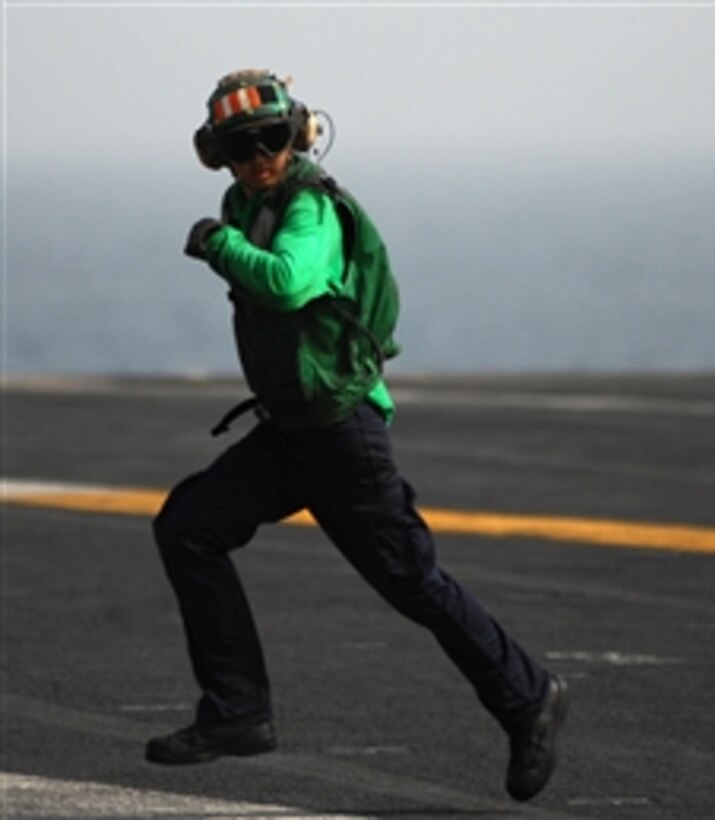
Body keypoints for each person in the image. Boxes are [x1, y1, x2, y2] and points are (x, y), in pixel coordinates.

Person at [146, 70, 569, 803]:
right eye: (239, 147)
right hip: (291, 433)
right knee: (188, 527)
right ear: (216, 155)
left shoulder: (310, 208)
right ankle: (237, 713)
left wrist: (216, 245)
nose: (258, 158)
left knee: (413, 582)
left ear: (298, 133)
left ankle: (528, 697)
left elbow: (286, 283)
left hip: (342, 434)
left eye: (271, 139)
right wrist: (226, 233)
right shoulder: (247, 202)